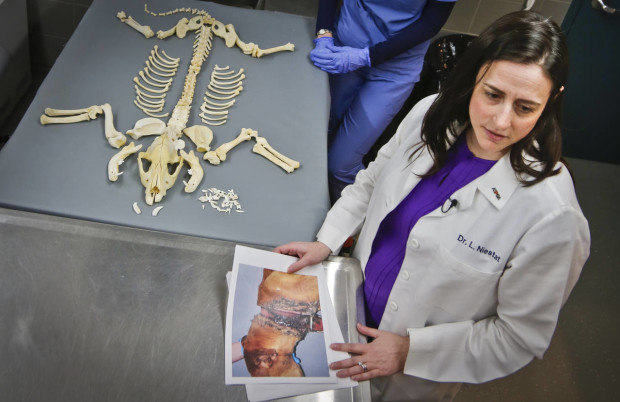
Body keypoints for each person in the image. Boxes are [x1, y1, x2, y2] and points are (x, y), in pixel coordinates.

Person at [276, 10, 591, 401]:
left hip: (410, 376)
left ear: (553, 99)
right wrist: (328, 240)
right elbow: (372, 181)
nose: (501, 120)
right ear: (474, 75)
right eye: (492, 94)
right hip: (345, 313)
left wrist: (410, 352)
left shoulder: (552, 215)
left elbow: (518, 337)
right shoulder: (431, 115)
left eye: (525, 108)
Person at [310, 0, 457, 202]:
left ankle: (353, 228)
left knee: (341, 165)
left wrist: (368, 56)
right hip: (342, 50)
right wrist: (324, 34)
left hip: (394, 70)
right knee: (316, 135)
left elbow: (430, 23)